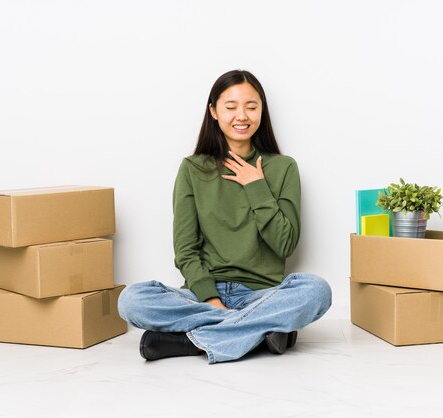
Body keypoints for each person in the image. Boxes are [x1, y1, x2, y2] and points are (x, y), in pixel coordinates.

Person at [117, 69, 332, 364]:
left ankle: (189, 342)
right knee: (131, 300)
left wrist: (256, 186)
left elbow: (285, 245)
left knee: (317, 290)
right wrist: (213, 302)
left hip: (261, 295)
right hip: (202, 294)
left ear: (261, 111)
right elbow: (186, 251)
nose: (241, 115)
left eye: (251, 106)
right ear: (214, 111)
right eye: (231, 107)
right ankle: (260, 331)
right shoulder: (193, 169)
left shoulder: (283, 168)